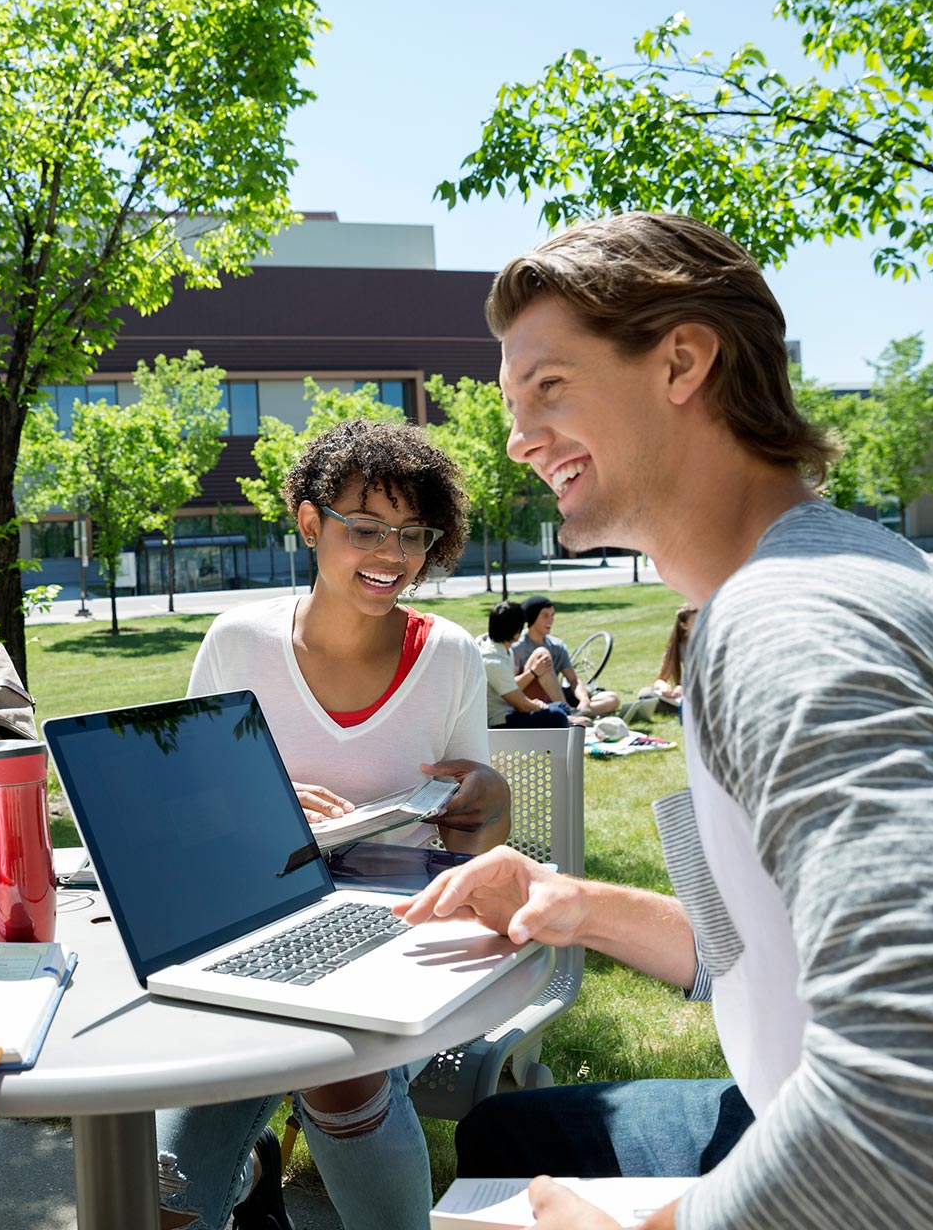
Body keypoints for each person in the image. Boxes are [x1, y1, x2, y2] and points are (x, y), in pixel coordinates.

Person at [397, 211, 933, 1229]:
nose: (518, 437)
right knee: (512, 1140)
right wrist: (570, 898)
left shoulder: (789, 624)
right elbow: (773, 942)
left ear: (683, 360)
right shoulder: (817, 573)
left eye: (549, 387)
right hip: (834, 1118)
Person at [164, 418, 511, 1230]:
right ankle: (247, 1174)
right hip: (249, 931)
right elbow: (182, 814)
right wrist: (257, 802)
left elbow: (471, 841)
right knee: (163, 1183)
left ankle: (258, 1172)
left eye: (412, 535)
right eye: (366, 528)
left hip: (399, 934)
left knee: (337, 1075)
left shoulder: (451, 654)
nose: (392, 555)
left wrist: (487, 812)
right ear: (310, 523)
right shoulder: (237, 643)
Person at [509, 594, 620, 718]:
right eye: (545, 616)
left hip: (555, 698)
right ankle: (568, 714)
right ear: (532, 618)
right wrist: (533, 671)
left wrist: (584, 700)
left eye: (552, 615)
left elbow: (574, 680)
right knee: (542, 654)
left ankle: (574, 712)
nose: (551, 620)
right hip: (531, 702)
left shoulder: (557, 645)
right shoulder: (517, 646)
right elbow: (511, 687)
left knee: (612, 699)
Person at [479, 599, 578, 728]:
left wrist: (536, 704)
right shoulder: (493, 661)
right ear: (516, 630)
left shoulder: (502, 648)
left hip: (511, 711)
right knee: (558, 716)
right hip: (501, 721)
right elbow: (522, 705)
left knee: (561, 707)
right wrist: (537, 706)